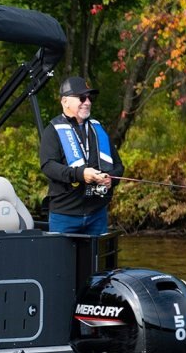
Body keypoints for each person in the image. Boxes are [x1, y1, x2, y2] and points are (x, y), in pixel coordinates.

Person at [40, 76, 124, 235]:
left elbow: (119, 166)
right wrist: (80, 174)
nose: (88, 102)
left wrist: (111, 179)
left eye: (90, 97)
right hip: (64, 216)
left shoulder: (98, 129)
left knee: (98, 253)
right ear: (65, 101)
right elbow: (48, 166)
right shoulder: (52, 131)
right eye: (82, 97)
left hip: (97, 215)